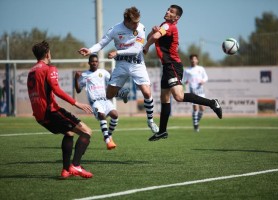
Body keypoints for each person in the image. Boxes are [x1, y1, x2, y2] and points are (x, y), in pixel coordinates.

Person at [143, 5, 222, 141]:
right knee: (164, 98)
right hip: (167, 66)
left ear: (177, 17)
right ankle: (162, 131)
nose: (167, 11)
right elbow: (153, 35)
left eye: (171, 11)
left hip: (172, 65)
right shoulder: (165, 25)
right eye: (168, 9)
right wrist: (152, 32)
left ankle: (212, 103)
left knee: (178, 96)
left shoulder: (169, 26)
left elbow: (155, 37)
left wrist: (145, 47)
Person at [78, 6, 159, 134]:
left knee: (147, 92)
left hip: (137, 64)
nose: (137, 25)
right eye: (134, 23)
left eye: (138, 22)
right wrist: (90, 50)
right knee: (108, 95)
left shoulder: (141, 28)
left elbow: (137, 49)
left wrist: (117, 52)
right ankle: (121, 94)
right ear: (126, 21)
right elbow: (101, 44)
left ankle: (150, 121)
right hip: (121, 65)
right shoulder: (115, 29)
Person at [27, 40, 94, 179]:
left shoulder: (31, 71)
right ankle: (75, 165)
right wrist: (77, 103)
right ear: (47, 54)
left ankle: (65, 170)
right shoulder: (49, 68)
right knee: (87, 132)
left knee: (69, 133)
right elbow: (56, 90)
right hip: (51, 111)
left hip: (39, 116)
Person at [74, 54, 119, 150]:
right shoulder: (85, 75)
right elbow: (78, 90)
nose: (94, 63)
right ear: (89, 63)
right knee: (101, 115)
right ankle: (107, 141)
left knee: (115, 115)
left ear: (98, 63)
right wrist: (76, 79)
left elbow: (112, 82)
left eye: (96, 61)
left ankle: (109, 135)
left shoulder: (103, 72)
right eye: (92, 61)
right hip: (95, 102)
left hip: (105, 100)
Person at [183, 54, 208, 132]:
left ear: (197, 60)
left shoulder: (201, 69)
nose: (193, 60)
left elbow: (206, 77)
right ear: (190, 60)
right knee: (195, 107)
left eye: (195, 59)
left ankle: (196, 121)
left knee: (202, 108)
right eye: (192, 59)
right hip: (192, 90)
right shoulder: (187, 70)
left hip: (200, 90)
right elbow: (184, 80)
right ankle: (196, 125)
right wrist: (185, 82)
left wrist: (203, 81)